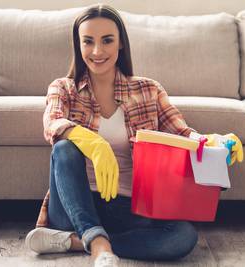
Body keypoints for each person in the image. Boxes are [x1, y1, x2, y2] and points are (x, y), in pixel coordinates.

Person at [24, 4, 198, 267]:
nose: (97, 51)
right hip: (75, 206)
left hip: (129, 208)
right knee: (64, 148)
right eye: (88, 42)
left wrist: (214, 143)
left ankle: (77, 241)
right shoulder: (64, 88)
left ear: (121, 45)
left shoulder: (148, 90)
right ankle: (97, 243)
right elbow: (52, 122)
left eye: (107, 40)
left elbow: (183, 134)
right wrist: (92, 143)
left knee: (184, 237)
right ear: (78, 45)